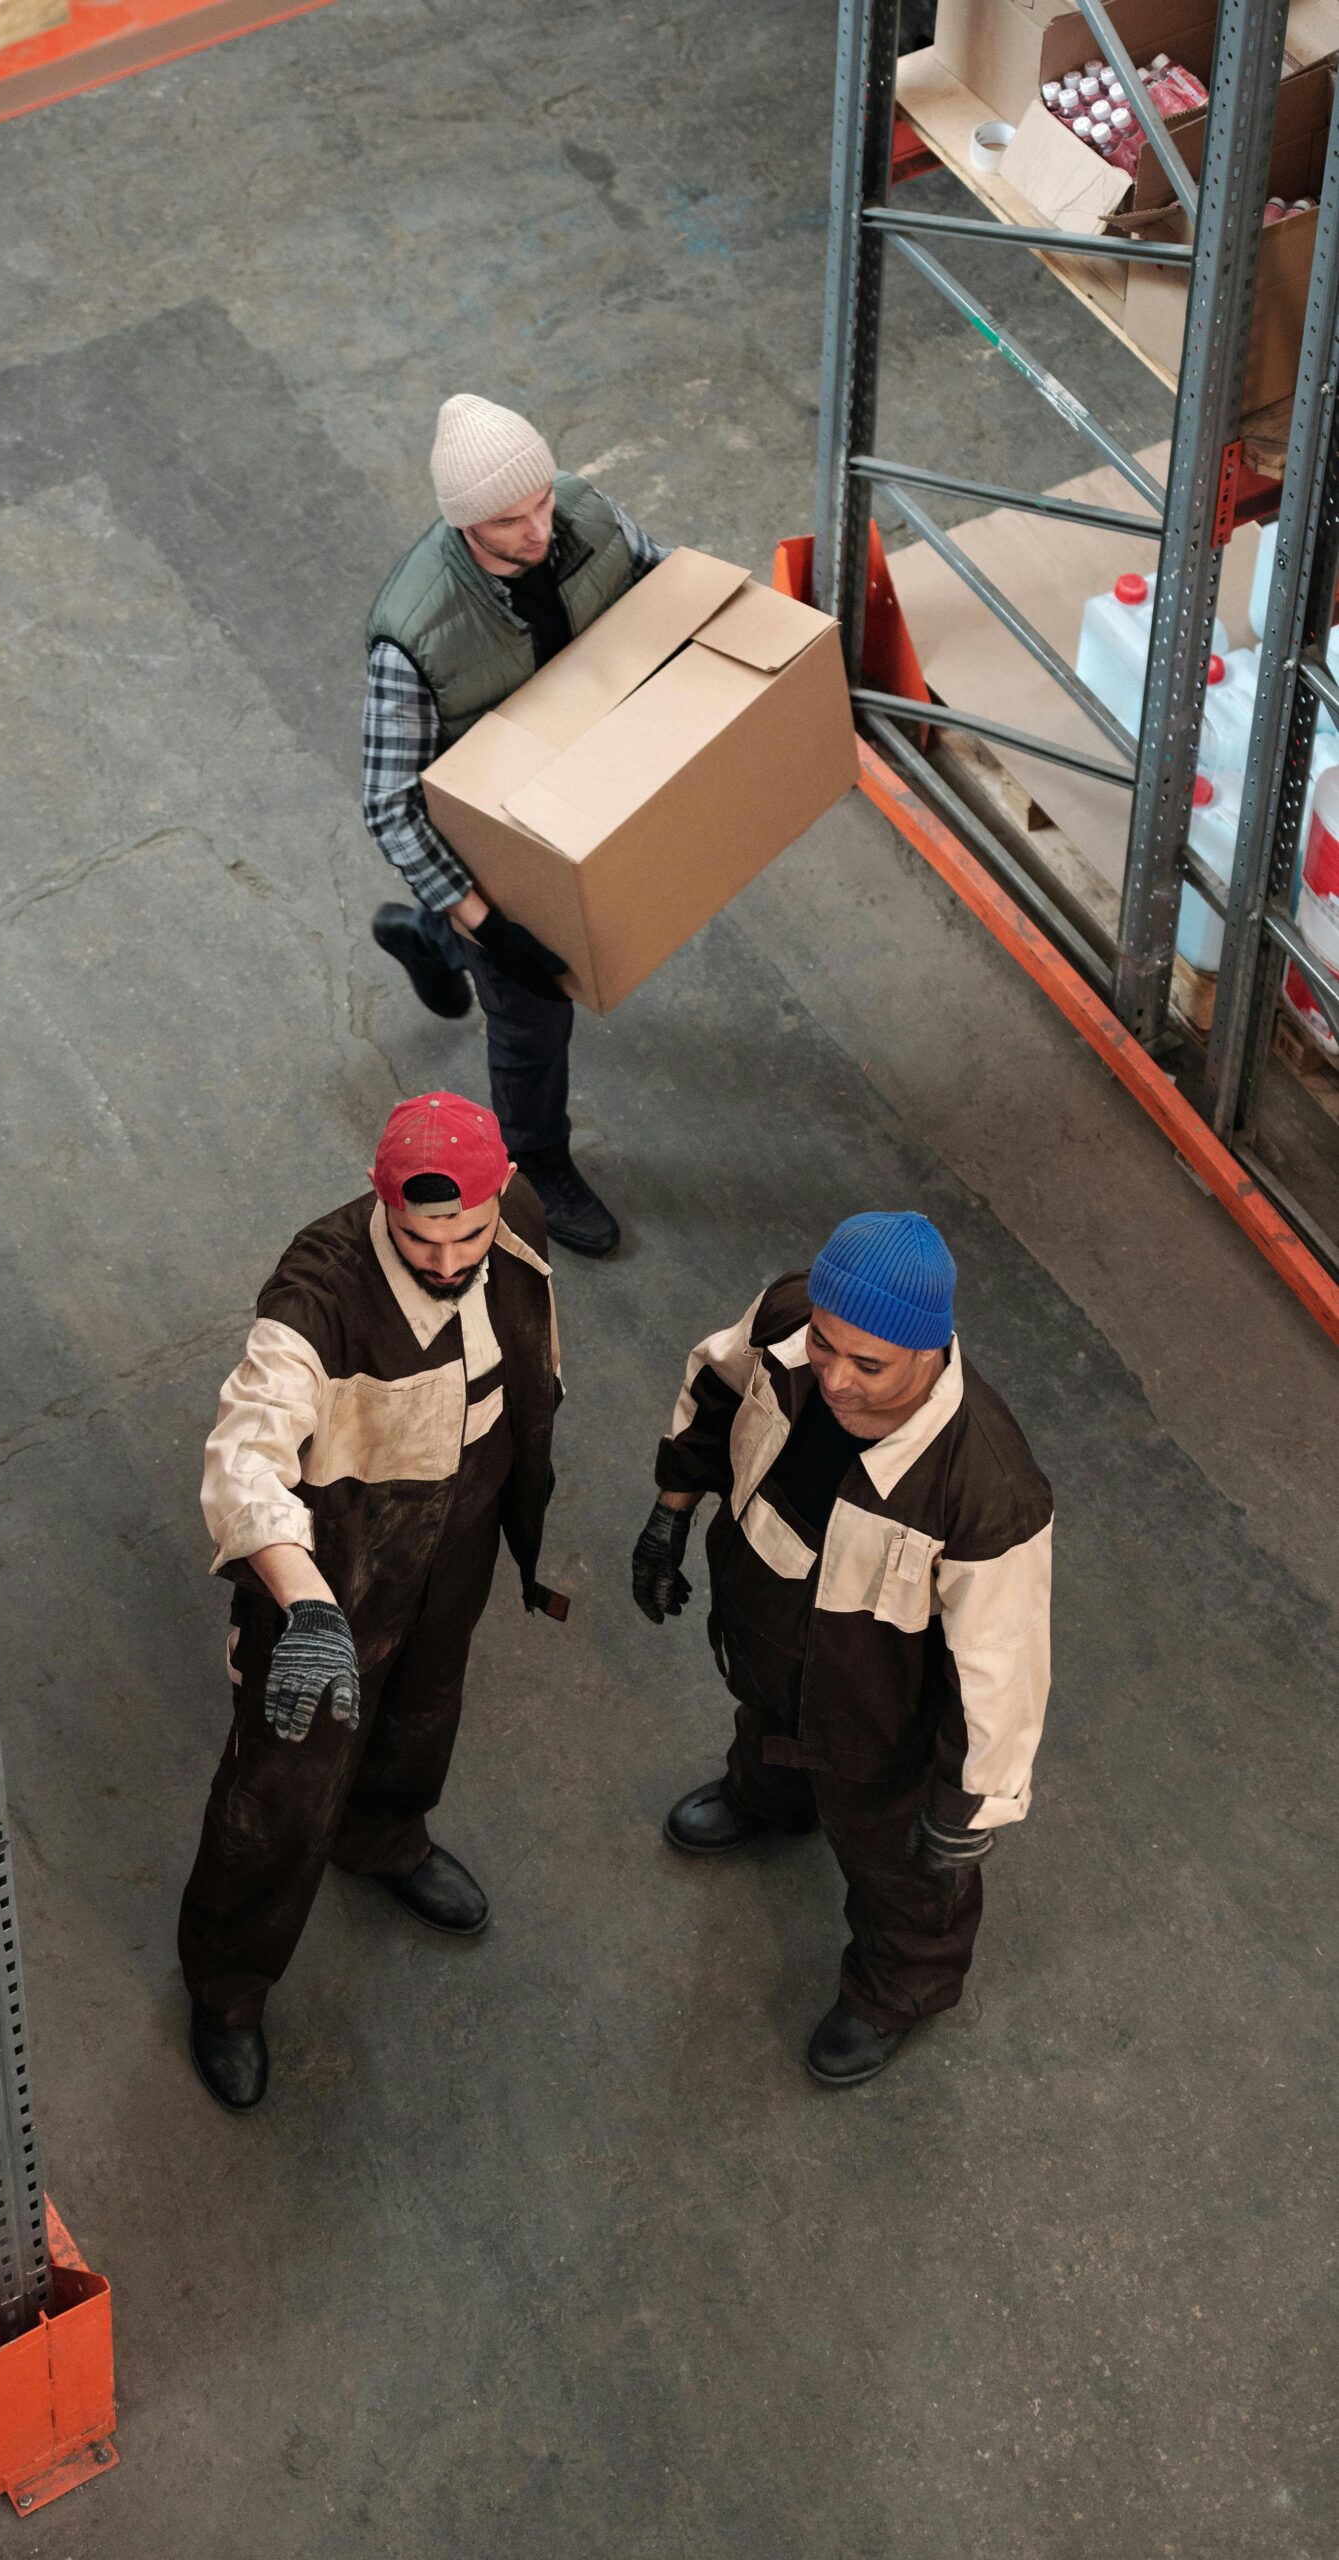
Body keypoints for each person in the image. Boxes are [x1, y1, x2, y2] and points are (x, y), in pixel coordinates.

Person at [178, 1091, 565, 2112]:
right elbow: (243, 1461)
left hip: (460, 1529)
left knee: (425, 1706)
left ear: (503, 1189)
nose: (447, 1260)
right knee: (281, 1787)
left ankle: (385, 1836)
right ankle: (227, 1986)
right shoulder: (318, 1297)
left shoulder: (516, 1225)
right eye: (419, 1236)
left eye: (468, 1233)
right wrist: (304, 1608)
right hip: (332, 1571)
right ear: (377, 1199)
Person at [633, 1212, 1053, 2086]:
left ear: (930, 1353)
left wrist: (966, 1808)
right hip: (764, 1635)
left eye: (869, 1365)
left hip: (878, 1713)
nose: (834, 1379)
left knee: (898, 1864)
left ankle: (898, 1986)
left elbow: (1000, 1670)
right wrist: (669, 1514)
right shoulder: (790, 1316)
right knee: (768, 1725)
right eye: (825, 1347)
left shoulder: (985, 1489)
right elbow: (714, 1390)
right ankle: (769, 1798)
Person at [363, 393, 671, 1259]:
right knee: (531, 1014)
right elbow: (390, 804)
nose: (539, 529)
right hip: (493, 840)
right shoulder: (414, 637)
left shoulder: (582, 511)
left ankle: (427, 936)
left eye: (541, 501)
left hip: (574, 784)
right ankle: (534, 1163)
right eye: (509, 519)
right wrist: (488, 923)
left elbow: (664, 587)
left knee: (515, 963)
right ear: (463, 523)